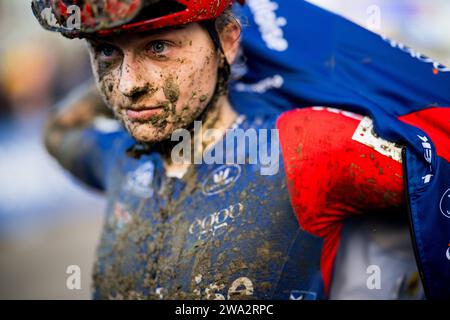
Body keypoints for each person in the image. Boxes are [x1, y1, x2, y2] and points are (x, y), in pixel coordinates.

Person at [32, 0, 423, 299]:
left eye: (159, 47)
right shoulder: (117, 157)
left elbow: (437, 171)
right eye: (106, 52)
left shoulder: (305, 146)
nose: (128, 84)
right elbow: (57, 130)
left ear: (229, 42)